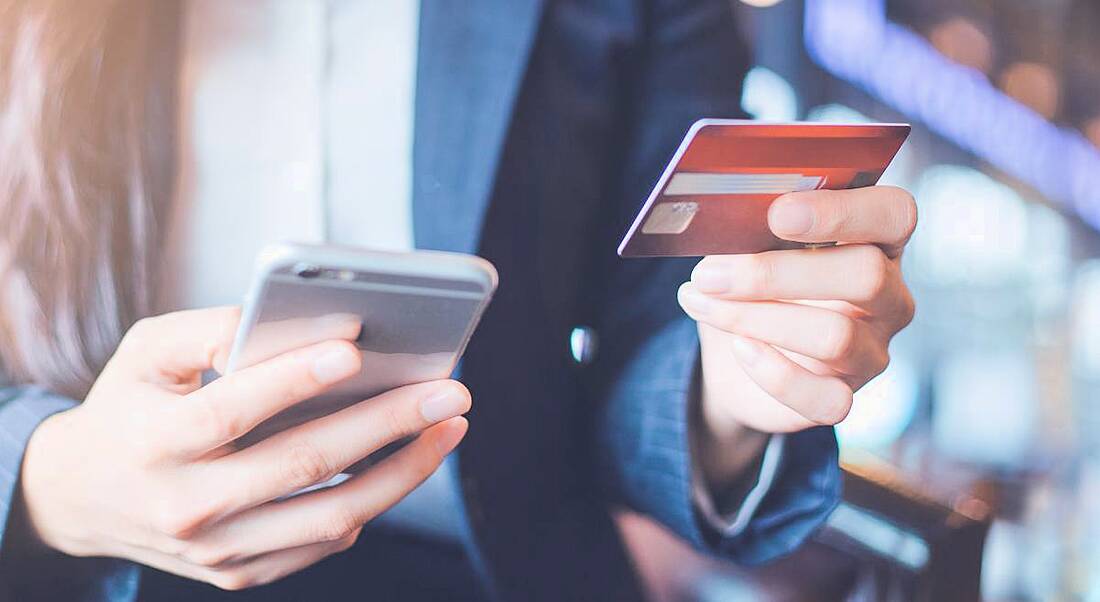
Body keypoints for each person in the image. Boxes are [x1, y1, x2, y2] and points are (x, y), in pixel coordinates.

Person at [0, 1, 917, 600]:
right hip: (93, 572)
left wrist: (737, 382)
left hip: (492, 574)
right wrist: (49, 482)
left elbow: (658, 313)